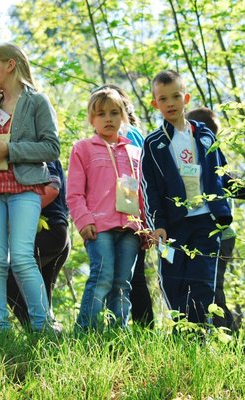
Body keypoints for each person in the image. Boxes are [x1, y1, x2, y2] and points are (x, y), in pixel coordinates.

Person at [141, 70, 245, 325]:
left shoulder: (205, 135)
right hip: (174, 226)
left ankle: (197, 338)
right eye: (163, 99)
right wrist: (158, 224)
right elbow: (149, 188)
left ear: (185, 98)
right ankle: (184, 338)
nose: (170, 103)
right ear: (155, 104)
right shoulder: (153, 144)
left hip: (207, 223)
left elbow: (223, 178)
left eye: (176, 96)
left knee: (203, 285)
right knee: (175, 286)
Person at [0, 43, 60, 336]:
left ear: (9, 65)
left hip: (25, 187)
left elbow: (51, 147)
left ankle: (43, 327)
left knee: (21, 257)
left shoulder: (36, 101)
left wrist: (10, 149)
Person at [67, 87, 144, 330]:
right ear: (91, 119)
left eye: (114, 113)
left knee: (123, 282)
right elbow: (74, 193)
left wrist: (146, 227)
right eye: (101, 114)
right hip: (98, 226)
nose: (108, 119)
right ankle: (85, 332)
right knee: (102, 277)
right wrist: (83, 220)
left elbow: (143, 192)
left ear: (123, 116)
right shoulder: (83, 149)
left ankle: (117, 334)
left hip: (131, 227)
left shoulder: (135, 151)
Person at [101, 84, 154, 327]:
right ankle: (116, 329)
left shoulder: (131, 135)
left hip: (129, 215)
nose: (108, 116)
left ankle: (144, 329)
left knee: (134, 277)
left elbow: (138, 178)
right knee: (117, 276)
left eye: (113, 110)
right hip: (109, 216)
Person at [185, 107, 238, 331]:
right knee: (203, 286)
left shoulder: (213, 160)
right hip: (204, 234)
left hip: (220, 236)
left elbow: (232, 187)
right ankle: (208, 331)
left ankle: (228, 335)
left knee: (212, 286)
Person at [6, 159, 70, 329]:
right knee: (41, 295)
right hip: (55, 232)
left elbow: (52, 189)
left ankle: (38, 331)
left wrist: (16, 216)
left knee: (9, 276)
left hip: (49, 230)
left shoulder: (38, 149)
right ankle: (51, 336)